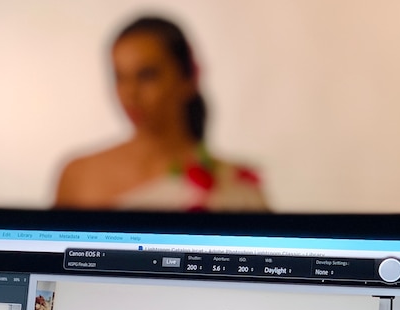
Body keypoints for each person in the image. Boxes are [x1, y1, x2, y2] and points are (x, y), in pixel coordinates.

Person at [54, 16, 269, 212]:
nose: (130, 93)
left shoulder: (234, 185)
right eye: (120, 77)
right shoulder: (78, 174)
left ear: (188, 78)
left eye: (147, 75)